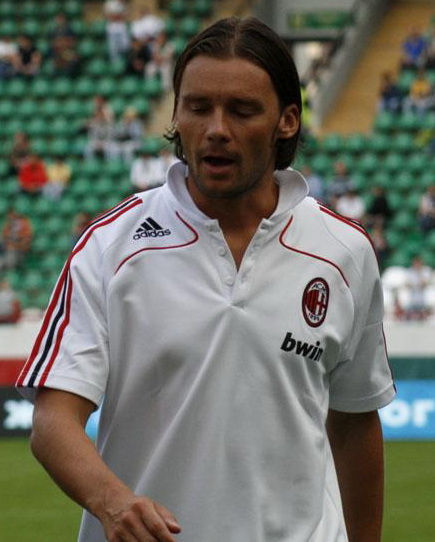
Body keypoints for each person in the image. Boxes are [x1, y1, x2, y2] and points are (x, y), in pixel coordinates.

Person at [17, 17, 395, 542]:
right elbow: (53, 421)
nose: (217, 128)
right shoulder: (111, 246)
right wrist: (113, 503)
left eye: (242, 110)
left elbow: (354, 422)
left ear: (287, 120)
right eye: (198, 107)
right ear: (176, 114)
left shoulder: (343, 251)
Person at [0, 207, 33, 272]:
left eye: (13, 215)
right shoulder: (9, 224)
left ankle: (7, 268)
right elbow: (4, 236)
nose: (11, 217)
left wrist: (14, 245)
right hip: (7, 248)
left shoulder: (25, 224)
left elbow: (26, 241)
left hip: (18, 251)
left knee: (10, 257)